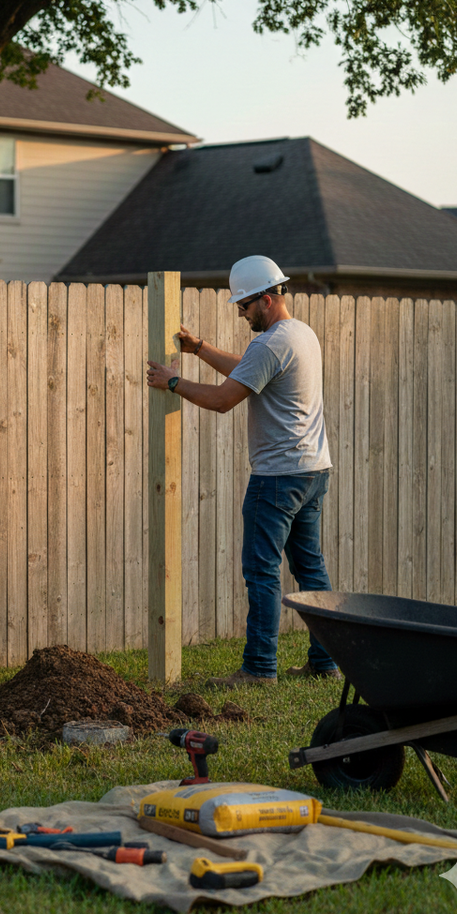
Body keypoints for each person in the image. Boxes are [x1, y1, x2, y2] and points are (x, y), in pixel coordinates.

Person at [146, 256, 338, 686]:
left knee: (262, 569)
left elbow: (221, 400)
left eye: (244, 306)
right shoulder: (299, 334)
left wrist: (173, 382)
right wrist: (199, 349)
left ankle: (258, 668)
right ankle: (326, 662)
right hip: (312, 471)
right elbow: (249, 371)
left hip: (277, 478)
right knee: (310, 569)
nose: (241, 313)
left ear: (266, 300)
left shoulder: (270, 343)